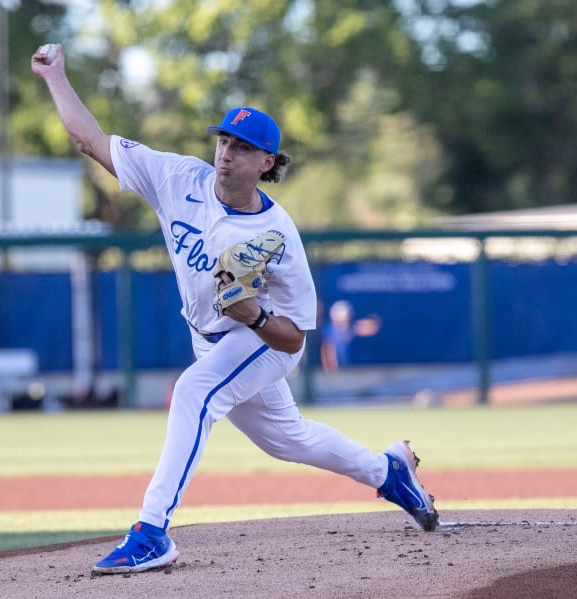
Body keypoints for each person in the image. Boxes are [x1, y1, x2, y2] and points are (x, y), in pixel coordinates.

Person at [32, 43, 439, 575]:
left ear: (266, 162)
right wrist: (55, 75)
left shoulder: (277, 234)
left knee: (194, 392)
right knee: (287, 439)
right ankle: (388, 472)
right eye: (223, 140)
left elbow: (295, 340)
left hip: (263, 342)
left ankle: (151, 531)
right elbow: (89, 140)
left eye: (242, 147)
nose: (226, 153)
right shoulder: (179, 178)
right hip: (209, 335)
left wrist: (256, 317)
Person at [320, 300, 382, 371]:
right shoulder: (329, 331)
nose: (345, 324)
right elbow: (328, 350)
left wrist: (375, 323)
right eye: (342, 321)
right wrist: (332, 370)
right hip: (336, 371)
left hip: (348, 368)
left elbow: (366, 328)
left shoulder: (351, 328)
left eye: (347, 320)